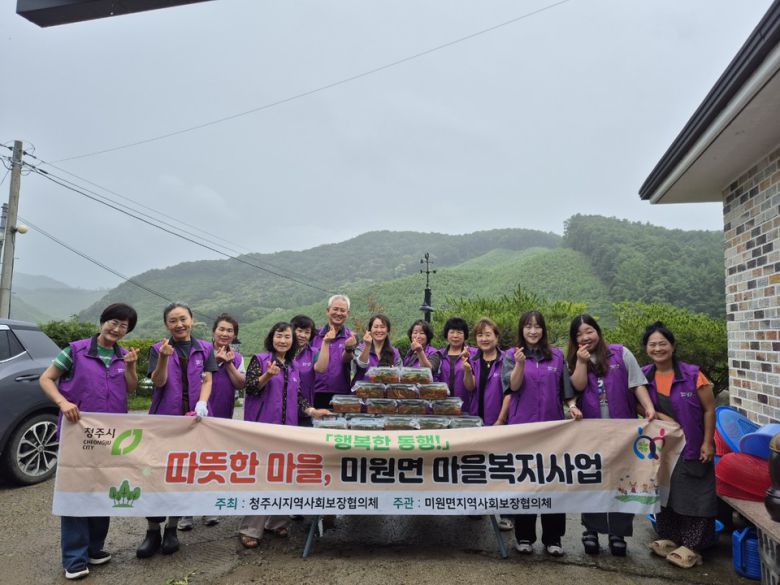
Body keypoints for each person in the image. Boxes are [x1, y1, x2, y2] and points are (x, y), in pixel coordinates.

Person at [39, 303, 139, 580]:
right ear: (103, 321)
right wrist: (63, 402)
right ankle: (74, 558)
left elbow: (131, 388)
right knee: (76, 493)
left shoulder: (122, 355)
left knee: (102, 491)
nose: (116, 329)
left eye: (123, 326)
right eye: (113, 322)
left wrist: (131, 366)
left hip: (110, 437)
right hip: (77, 436)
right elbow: (46, 379)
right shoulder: (75, 351)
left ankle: (95, 549)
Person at [567, 314, 656, 557]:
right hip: (590, 431)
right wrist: (581, 362)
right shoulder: (573, 360)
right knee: (592, 479)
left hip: (623, 430)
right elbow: (575, 388)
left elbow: (637, 383)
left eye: (589, 331)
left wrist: (648, 407)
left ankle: (618, 532)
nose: (585, 337)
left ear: (598, 331)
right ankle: (591, 530)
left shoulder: (620, 353)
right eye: (579, 334)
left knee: (622, 479)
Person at [136, 303, 218, 559]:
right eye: (173, 321)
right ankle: (152, 531)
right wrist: (163, 357)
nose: (179, 324)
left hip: (193, 421)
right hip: (164, 420)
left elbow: (208, 379)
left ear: (192, 320)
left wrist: (202, 403)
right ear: (167, 325)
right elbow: (159, 382)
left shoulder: (205, 348)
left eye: (183, 319)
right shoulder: (157, 349)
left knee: (182, 473)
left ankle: (172, 529)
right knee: (156, 474)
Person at [239, 322, 330, 549]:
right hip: (263, 428)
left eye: (287, 337)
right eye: (279, 336)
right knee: (261, 477)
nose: (283, 340)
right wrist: (267, 376)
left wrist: (312, 411)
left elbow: (297, 397)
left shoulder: (292, 366)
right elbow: (250, 388)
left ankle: (277, 522)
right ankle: (251, 529)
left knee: (283, 474)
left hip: (287, 429)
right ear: (272, 338)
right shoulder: (260, 360)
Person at [498, 311, 581, 557]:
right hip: (523, 429)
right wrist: (520, 364)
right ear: (521, 330)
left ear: (543, 330)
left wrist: (572, 406)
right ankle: (524, 536)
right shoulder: (512, 355)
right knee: (525, 482)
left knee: (553, 482)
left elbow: (566, 390)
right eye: (528, 326)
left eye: (537, 327)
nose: (532, 331)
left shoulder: (556, 356)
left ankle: (553, 538)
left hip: (553, 430)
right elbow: (512, 387)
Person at [641, 322, 717, 569]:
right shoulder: (644, 376)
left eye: (663, 343)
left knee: (694, 494)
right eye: (652, 344)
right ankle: (671, 538)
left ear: (673, 346)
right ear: (646, 349)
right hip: (662, 448)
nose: (658, 348)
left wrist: (708, 442)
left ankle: (694, 547)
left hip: (693, 444)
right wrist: (659, 416)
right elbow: (637, 403)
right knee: (666, 492)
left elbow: (709, 410)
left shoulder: (693, 375)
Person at [179, 313, 245, 531]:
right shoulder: (201, 351)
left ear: (234, 335)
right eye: (221, 329)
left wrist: (228, 364)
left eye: (230, 331)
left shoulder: (238, 357)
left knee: (214, 461)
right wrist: (216, 361)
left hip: (223, 413)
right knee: (192, 460)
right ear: (214, 331)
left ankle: (210, 507)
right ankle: (186, 512)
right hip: (198, 411)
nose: (225, 334)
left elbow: (240, 384)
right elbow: (195, 376)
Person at [312, 294, 356, 409]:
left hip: (342, 393)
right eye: (335, 309)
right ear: (328, 311)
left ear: (347, 314)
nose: (338, 313)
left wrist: (349, 348)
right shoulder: (314, 335)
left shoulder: (352, 337)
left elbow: (349, 360)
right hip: (315, 392)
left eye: (342, 310)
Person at [436, 317, 476, 411]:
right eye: (452, 332)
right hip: (443, 408)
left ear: (465, 335)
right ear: (446, 334)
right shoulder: (439, 355)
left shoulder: (474, 354)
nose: (455, 336)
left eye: (459, 332)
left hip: (467, 409)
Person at [353, 313, 402, 382]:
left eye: (382, 327)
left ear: (388, 331)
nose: (379, 330)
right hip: (362, 388)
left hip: (385, 389)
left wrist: (394, 376)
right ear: (370, 330)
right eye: (376, 327)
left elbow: (400, 378)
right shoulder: (360, 348)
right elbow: (361, 365)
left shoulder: (395, 353)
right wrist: (367, 346)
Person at [291, 314, 317, 427]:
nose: (302, 335)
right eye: (299, 331)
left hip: (306, 410)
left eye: (307, 332)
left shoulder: (314, 353)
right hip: (283, 409)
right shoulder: (282, 352)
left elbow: (321, 368)